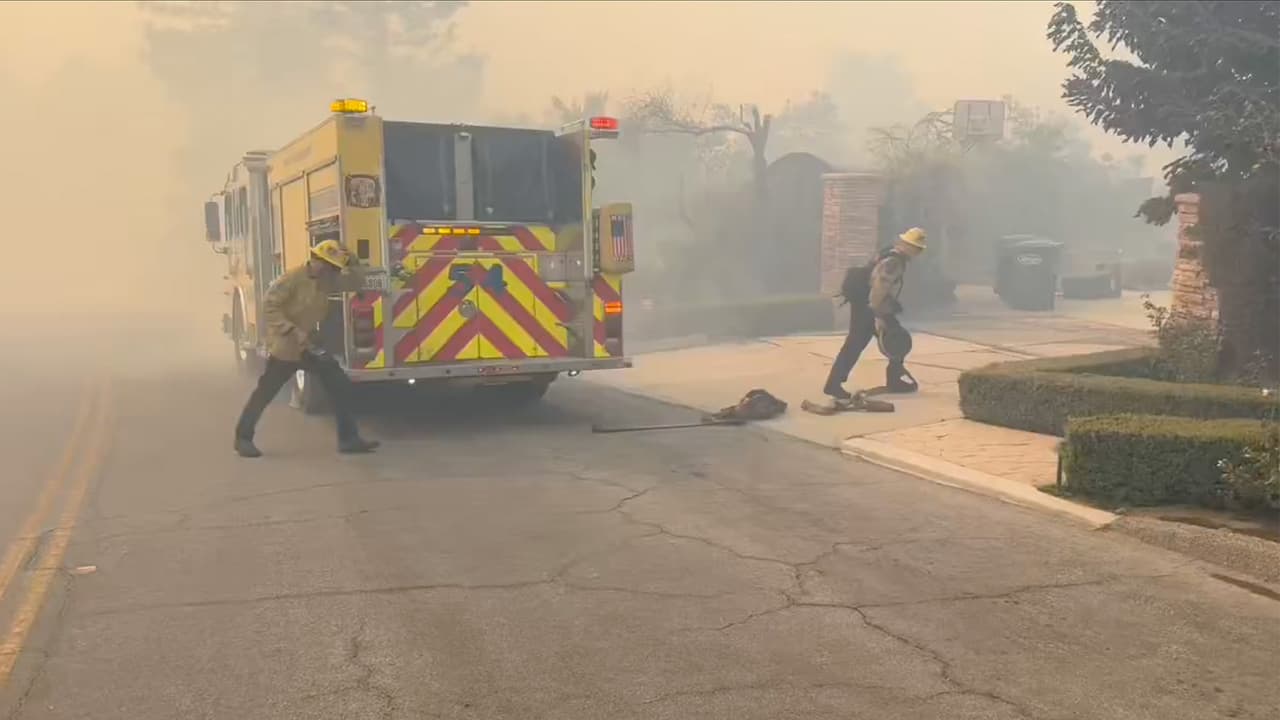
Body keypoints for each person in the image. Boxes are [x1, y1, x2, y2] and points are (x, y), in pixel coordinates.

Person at [234, 239, 380, 458]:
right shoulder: (291, 279)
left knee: (338, 382)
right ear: (316, 260)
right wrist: (291, 330)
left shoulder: (327, 280)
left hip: (308, 346)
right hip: (286, 347)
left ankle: (348, 439)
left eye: (335, 268)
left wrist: (353, 260)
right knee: (265, 393)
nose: (332, 271)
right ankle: (243, 439)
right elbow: (270, 307)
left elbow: (357, 282)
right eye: (329, 266)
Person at [823, 227, 928, 401]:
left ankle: (836, 383)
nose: (917, 253)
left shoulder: (887, 253)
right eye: (917, 248)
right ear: (909, 246)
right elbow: (879, 286)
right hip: (872, 306)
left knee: (883, 341)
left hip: (868, 304)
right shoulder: (894, 262)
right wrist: (878, 315)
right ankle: (835, 384)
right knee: (893, 339)